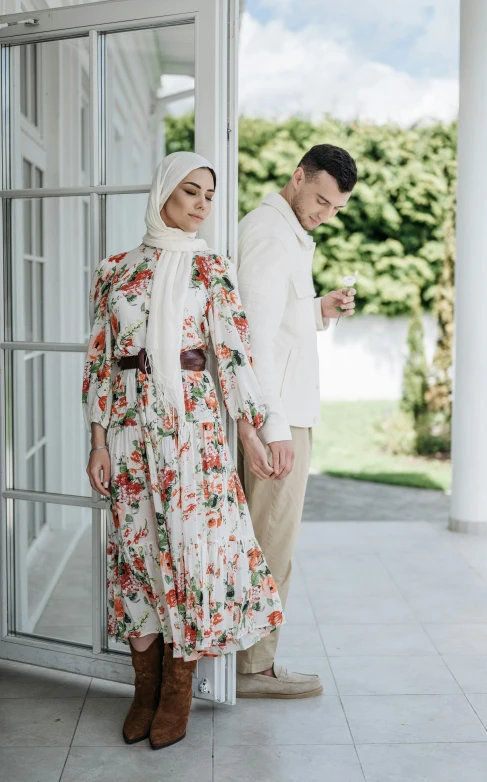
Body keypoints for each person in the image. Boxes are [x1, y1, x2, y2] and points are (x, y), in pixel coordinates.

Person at [82, 151, 284, 750]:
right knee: (137, 557)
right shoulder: (115, 270)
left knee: (192, 558)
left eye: (209, 195)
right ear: (164, 192)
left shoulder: (212, 271)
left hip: (193, 435)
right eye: (191, 191)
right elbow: (98, 360)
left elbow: (234, 359)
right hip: (127, 433)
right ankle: (143, 690)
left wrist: (252, 431)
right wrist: (97, 441)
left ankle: (178, 692)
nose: (200, 204)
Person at [235, 143, 357, 698]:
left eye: (335, 208)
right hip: (275, 418)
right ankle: (252, 669)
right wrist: (274, 427)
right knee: (270, 547)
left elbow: (276, 318)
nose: (325, 214)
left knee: (267, 543)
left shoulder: (287, 231)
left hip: (278, 411)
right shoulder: (267, 232)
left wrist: (318, 310)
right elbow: (252, 339)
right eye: (320, 200)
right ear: (297, 176)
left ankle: (243, 661)